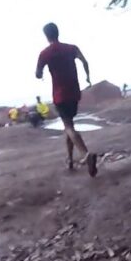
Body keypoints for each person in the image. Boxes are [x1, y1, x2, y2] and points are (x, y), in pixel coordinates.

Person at [36, 22, 97, 176]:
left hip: (60, 95)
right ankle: (70, 160)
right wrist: (88, 77)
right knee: (69, 125)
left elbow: (38, 73)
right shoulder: (71, 48)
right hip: (74, 92)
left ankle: (85, 154)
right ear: (58, 32)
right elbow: (85, 61)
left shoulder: (45, 54)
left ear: (46, 36)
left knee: (69, 127)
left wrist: (41, 74)